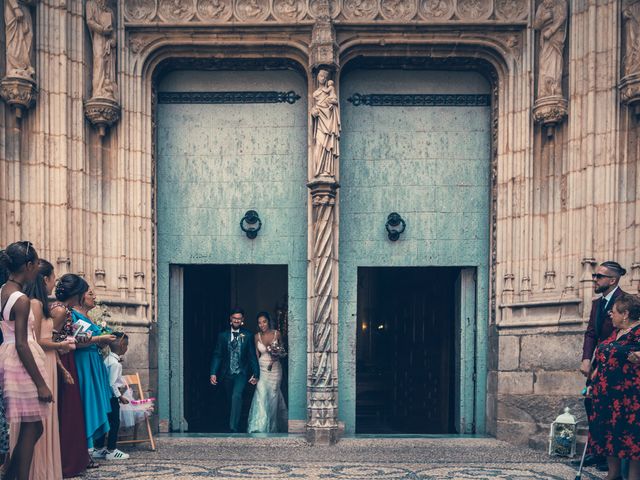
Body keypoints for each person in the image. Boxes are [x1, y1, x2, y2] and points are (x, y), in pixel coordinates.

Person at [0, 241, 53, 480]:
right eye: (36, 265)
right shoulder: (21, 299)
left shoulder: (4, 290)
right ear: (29, 266)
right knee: (33, 427)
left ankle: (10, 475)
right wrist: (41, 383)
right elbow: (22, 343)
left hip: (10, 356)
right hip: (22, 362)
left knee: (32, 427)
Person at [21, 259, 74, 480]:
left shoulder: (40, 304)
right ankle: (36, 472)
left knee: (47, 420)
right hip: (41, 362)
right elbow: (33, 341)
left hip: (50, 362)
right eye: (53, 278)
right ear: (45, 279)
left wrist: (61, 367)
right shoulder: (33, 304)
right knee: (39, 423)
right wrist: (60, 345)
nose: (54, 283)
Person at [577, 261, 627, 471]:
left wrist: (603, 365)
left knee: (610, 409)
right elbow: (591, 333)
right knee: (592, 405)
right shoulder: (598, 303)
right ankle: (596, 452)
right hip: (598, 361)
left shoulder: (625, 302)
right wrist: (587, 359)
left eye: (599, 276)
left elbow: (623, 333)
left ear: (612, 280)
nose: (594, 280)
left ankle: (610, 458)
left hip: (615, 364)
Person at [588, 293, 640, 480]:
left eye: (614, 311)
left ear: (625, 314)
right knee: (609, 432)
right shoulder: (615, 332)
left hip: (628, 395)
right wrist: (594, 377)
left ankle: (633, 477)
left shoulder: (638, 332)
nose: (611, 314)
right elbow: (604, 354)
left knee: (630, 436)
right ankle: (613, 474)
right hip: (606, 393)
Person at [67, 279, 115, 457]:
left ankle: (89, 449)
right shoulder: (72, 315)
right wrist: (99, 339)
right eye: (90, 293)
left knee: (94, 403)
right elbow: (74, 342)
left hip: (94, 361)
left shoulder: (88, 317)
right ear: (80, 296)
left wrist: (103, 343)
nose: (94, 296)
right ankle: (84, 450)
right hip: (83, 363)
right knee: (86, 403)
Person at [51, 277, 92, 476]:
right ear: (76, 293)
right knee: (66, 409)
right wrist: (61, 368)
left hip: (68, 358)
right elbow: (49, 341)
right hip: (61, 361)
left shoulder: (64, 310)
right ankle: (65, 461)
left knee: (72, 409)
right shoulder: (59, 311)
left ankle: (72, 460)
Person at [209, 308, 260, 433]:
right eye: (234, 318)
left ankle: (233, 427)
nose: (236, 320)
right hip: (226, 374)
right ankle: (230, 420)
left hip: (241, 373)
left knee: (236, 396)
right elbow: (217, 355)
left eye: (239, 318)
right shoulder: (223, 336)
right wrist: (213, 372)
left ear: (242, 320)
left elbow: (252, 356)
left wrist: (256, 373)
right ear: (230, 319)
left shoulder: (247, 335)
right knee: (229, 399)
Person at [247, 311, 288, 433]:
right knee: (261, 394)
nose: (262, 325)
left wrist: (276, 354)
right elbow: (256, 355)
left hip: (275, 369)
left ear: (268, 321)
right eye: (259, 323)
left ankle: (273, 426)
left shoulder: (277, 334)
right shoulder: (256, 337)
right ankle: (260, 426)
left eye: (264, 321)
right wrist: (255, 373)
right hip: (262, 368)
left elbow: (283, 352)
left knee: (273, 396)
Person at [94, 332, 130, 461]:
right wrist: (120, 397)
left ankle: (98, 448)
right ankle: (111, 450)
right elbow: (112, 384)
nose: (127, 348)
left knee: (105, 421)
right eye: (127, 345)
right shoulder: (116, 364)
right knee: (114, 423)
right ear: (122, 345)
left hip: (105, 396)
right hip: (111, 397)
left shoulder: (108, 359)